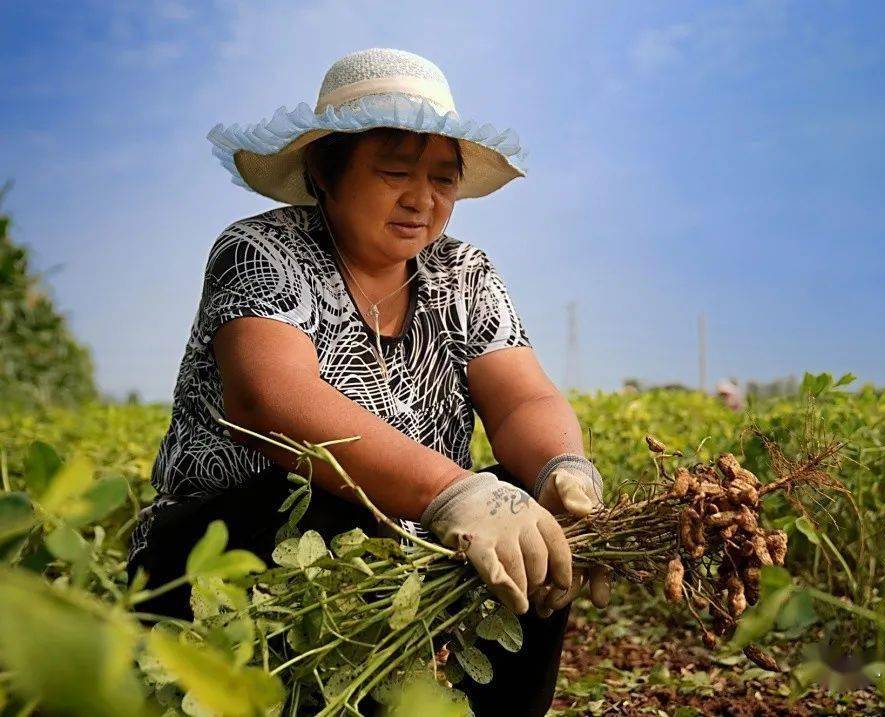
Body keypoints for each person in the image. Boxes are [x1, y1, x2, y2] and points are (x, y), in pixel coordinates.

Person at [126, 47, 611, 716]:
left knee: (532, 518)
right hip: (219, 564)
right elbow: (270, 399)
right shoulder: (262, 252)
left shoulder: (460, 273)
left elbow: (523, 394)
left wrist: (562, 470)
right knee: (337, 495)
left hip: (397, 556)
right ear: (326, 172)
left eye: (444, 179)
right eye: (394, 172)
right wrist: (453, 491)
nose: (423, 199)